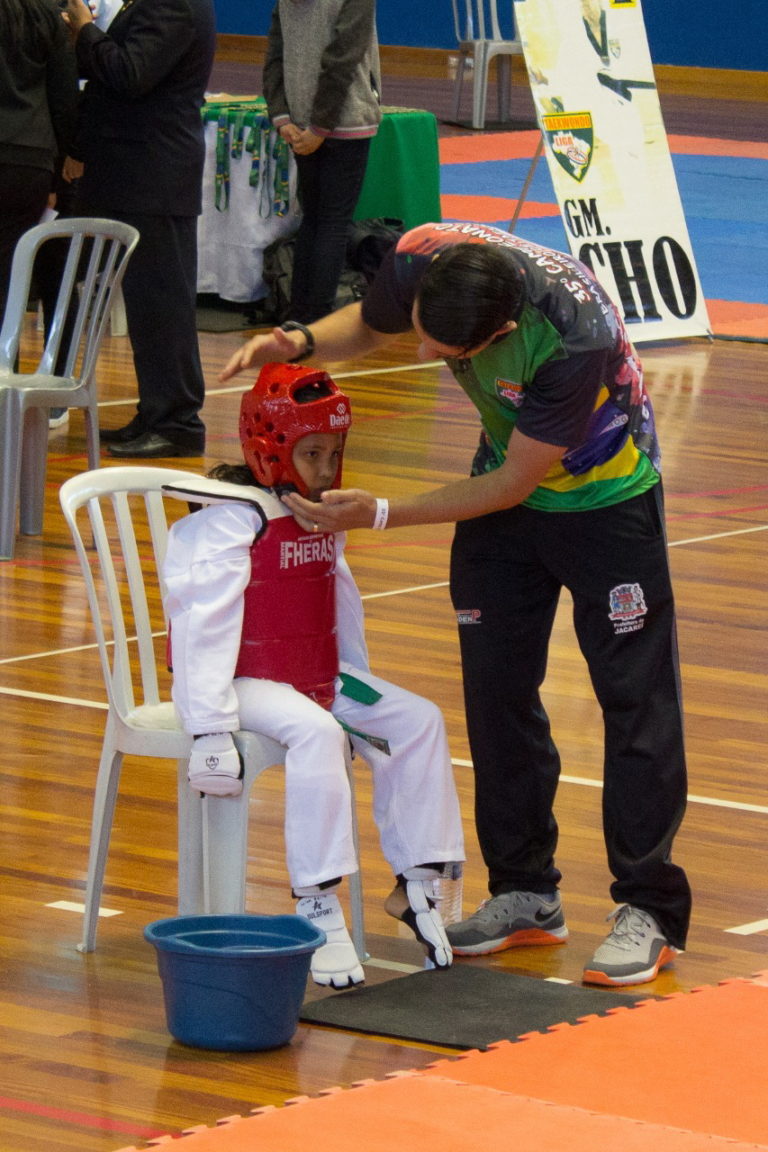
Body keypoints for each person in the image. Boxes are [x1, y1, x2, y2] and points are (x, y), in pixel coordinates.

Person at [218, 221, 692, 989]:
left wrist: (377, 513)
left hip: (606, 502)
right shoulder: (422, 259)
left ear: (501, 330)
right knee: (497, 690)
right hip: (503, 491)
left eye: (451, 353)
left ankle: (650, 909)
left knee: (634, 704)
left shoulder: (575, 336)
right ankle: (526, 892)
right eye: (426, 334)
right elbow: (370, 327)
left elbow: (515, 485)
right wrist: (298, 340)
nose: (426, 356)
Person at [160, 360, 465, 988]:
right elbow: (201, 623)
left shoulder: (322, 512)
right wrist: (210, 729)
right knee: (317, 734)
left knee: (415, 720)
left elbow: (338, 598)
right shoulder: (229, 519)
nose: (326, 470)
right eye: (311, 452)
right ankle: (318, 907)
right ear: (270, 449)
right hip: (242, 682)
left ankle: (418, 885)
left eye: (334, 452)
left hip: (318, 675)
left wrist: (359, 681)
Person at [61, 0, 215, 458]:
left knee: (164, 305)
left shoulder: (173, 3)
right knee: (150, 308)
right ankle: (156, 412)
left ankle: (177, 422)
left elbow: (130, 74)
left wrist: (87, 31)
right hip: (142, 175)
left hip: (155, 175)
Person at [262, 0, 381, 325]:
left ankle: (296, 317)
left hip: (300, 122)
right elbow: (343, 59)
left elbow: (274, 55)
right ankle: (316, 322)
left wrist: (282, 115)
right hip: (342, 122)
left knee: (313, 221)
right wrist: (321, 127)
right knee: (332, 224)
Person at [0, 0, 78, 322]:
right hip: (30, 160)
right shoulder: (47, 17)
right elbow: (64, 101)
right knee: (11, 278)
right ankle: (6, 370)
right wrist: (59, 173)